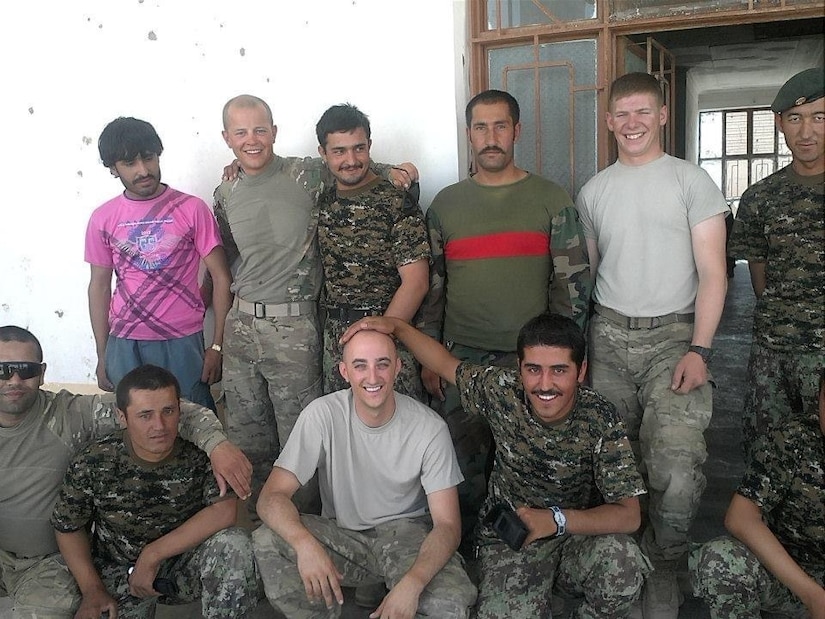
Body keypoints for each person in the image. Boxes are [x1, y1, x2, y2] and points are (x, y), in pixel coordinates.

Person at [342, 313, 650, 618]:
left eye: (559, 370)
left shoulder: (600, 416)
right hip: (512, 540)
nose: (545, 384)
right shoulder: (502, 390)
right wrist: (396, 327)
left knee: (623, 564)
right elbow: (445, 364)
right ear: (519, 368)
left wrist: (556, 520)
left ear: (580, 371)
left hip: (578, 538)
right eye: (533, 369)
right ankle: (537, 597)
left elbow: (629, 515)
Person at [214, 94, 417, 519]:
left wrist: (398, 170)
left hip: (297, 329)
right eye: (241, 132)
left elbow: (350, 165)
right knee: (248, 433)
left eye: (260, 129)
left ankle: (304, 531)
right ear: (227, 138)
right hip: (242, 324)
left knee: (301, 440)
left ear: (274, 132)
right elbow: (228, 250)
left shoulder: (305, 174)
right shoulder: (225, 191)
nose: (252, 140)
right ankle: (254, 530)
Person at [575, 72, 729, 618]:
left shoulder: (692, 183)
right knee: (615, 465)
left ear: (663, 116)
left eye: (644, 112)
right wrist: (584, 348)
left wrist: (701, 350)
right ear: (610, 121)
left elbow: (714, 273)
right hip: (610, 337)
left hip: (674, 339)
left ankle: (665, 565)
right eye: (623, 114)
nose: (632, 123)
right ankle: (622, 565)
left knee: (677, 467)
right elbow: (589, 279)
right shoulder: (594, 191)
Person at [417, 88, 592, 545]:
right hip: (461, 364)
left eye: (500, 126)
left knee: (532, 466)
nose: (490, 137)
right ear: (469, 135)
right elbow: (432, 292)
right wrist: (430, 359)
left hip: (530, 365)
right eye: (480, 127)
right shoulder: (445, 206)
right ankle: (468, 554)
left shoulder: (551, 199)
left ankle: (527, 553)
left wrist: (564, 364)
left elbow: (571, 291)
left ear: (516, 131)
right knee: (462, 466)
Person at [0, 325, 251, 618]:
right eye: (3, 370)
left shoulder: (71, 416)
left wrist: (217, 444)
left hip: (44, 563)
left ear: (41, 373)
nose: (14, 380)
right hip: (115, 565)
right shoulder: (95, 460)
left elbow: (159, 406)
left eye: (25, 370)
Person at [251, 329, 477, 619]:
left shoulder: (429, 428)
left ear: (397, 367)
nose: (372, 377)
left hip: (407, 536)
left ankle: (390, 586)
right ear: (344, 371)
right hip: (345, 535)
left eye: (382, 364)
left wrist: (413, 582)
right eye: (360, 365)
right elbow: (271, 498)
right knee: (269, 539)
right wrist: (303, 543)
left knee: (448, 602)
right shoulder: (322, 415)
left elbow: (447, 526)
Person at [50, 364, 259, 618]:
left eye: (168, 411)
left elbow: (224, 511)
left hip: (184, 565)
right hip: (120, 571)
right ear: (122, 417)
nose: (159, 425)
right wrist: (92, 590)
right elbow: (68, 527)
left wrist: (153, 554)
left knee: (235, 545)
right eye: (145, 415)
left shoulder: (201, 454)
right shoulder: (95, 460)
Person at [86, 117, 232, 412]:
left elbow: (221, 277)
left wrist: (217, 345)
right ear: (113, 168)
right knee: (134, 425)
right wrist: (103, 354)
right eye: (129, 163)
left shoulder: (191, 209)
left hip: (182, 339)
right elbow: (99, 287)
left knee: (192, 419)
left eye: (149, 158)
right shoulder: (103, 218)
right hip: (124, 342)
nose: (143, 170)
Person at [727, 67, 824, 455]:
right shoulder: (760, 198)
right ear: (780, 124)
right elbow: (759, 275)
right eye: (796, 119)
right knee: (768, 455)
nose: (807, 132)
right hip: (774, 355)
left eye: (819, 118)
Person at [315, 103, 429, 400]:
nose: (351, 160)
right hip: (336, 342)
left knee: (397, 433)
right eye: (339, 151)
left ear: (370, 146)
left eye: (359, 148)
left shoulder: (396, 201)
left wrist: (377, 338)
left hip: (389, 336)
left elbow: (416, 282)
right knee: (343, 432)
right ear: (322, 153)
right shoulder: (321, 200)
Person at [690, 369, 825, 618]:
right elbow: (740, 517)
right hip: (791, 573)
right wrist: (813, 596)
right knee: (720, 559)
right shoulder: (794, 438)